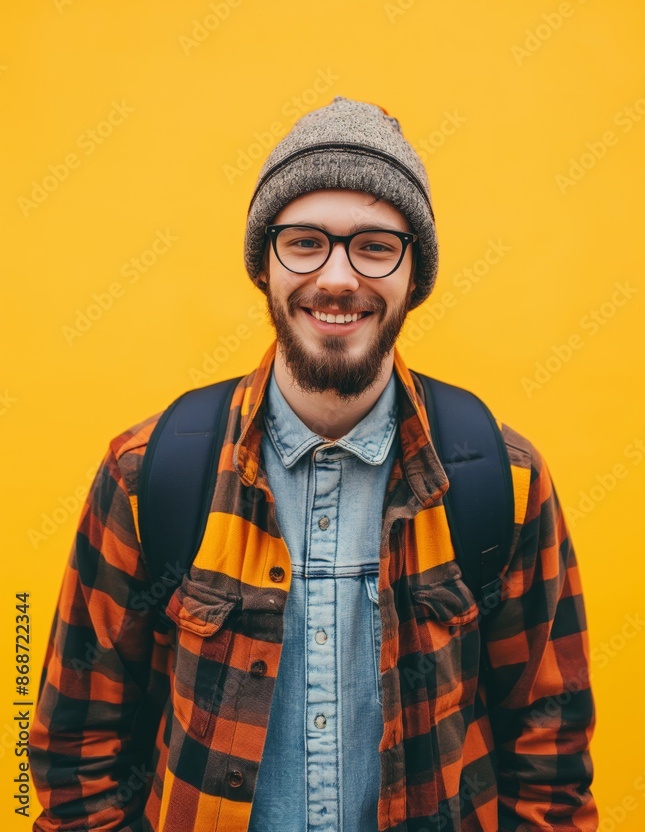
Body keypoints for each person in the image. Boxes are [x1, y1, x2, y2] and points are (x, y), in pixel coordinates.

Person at [29, 96, 598, 832]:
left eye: (373, 244)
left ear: (412, 272)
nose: (336, 277)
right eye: (304, 242)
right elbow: (76, 748)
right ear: (264, 265)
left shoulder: (502, 480)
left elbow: (549, 757)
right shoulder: (149, 475)